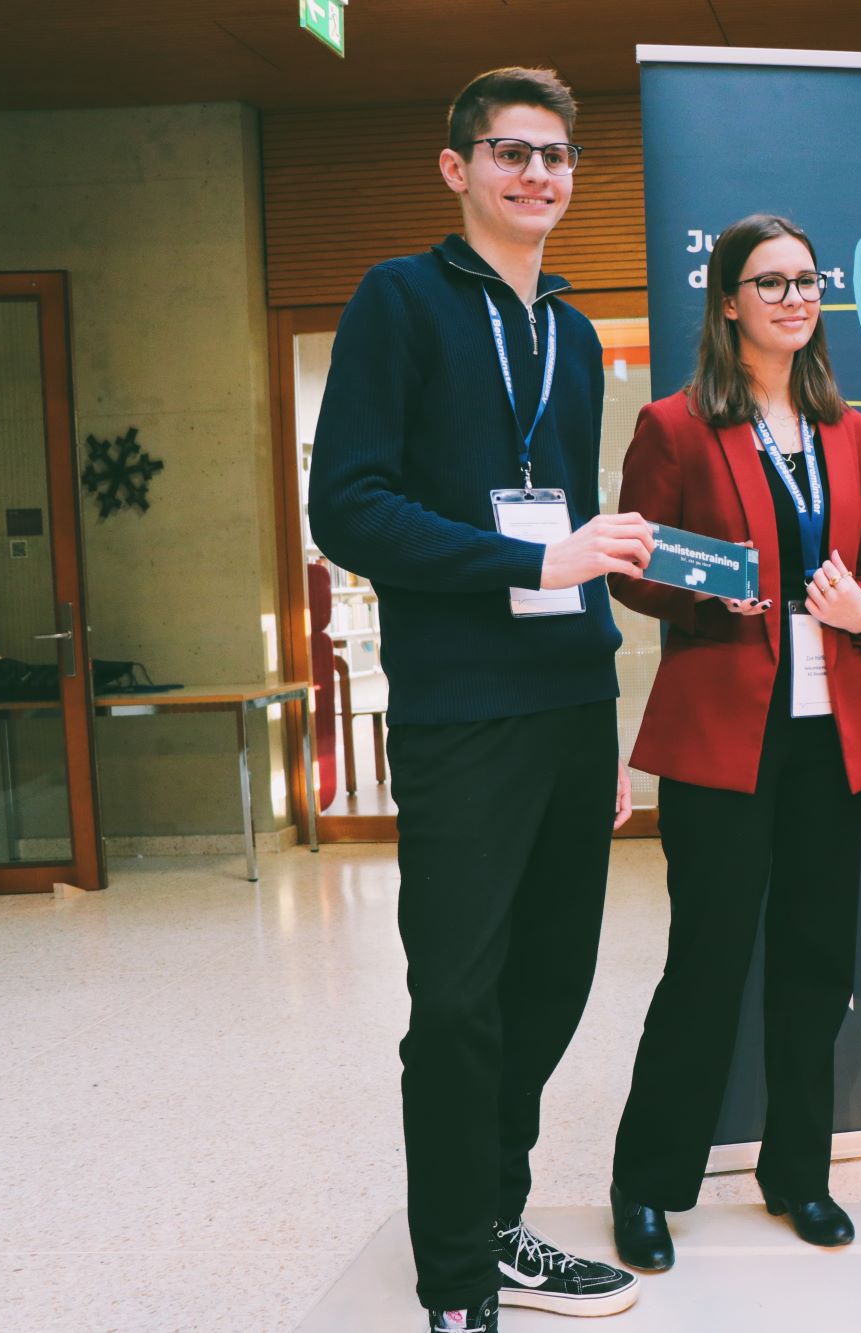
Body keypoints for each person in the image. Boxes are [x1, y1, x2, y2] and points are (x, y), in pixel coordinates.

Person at [309, 68, 648, 1333]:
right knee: (456, 1000)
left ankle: (494, 1221)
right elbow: (347, 506)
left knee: (548, 989)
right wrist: (527, 561)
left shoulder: (566, 326)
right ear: (455, 168)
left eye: (555, 155)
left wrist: (601, 717)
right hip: (460, 712)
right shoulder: (398, 299)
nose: (536, 174)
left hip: (566, 703)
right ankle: (454, 1281)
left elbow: (563, 515)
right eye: (509, 151)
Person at [607, 215, 861, 1265]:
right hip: (724, 735)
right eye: (768, 283)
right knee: (708, 961)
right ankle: (648, 1182)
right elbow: (632, 563)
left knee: (817, 963)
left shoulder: (852, 433)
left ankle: (797, 1174)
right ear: (726, 300)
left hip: (831, 731)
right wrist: (712, 594)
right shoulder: (676, 425)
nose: (793, 298)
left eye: (806, 281)